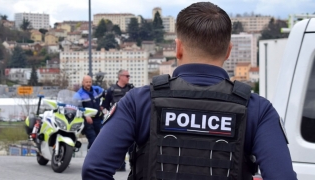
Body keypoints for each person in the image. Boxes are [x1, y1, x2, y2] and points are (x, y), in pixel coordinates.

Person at [82, 2, 297, 180]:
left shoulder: (139, 102)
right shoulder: (258, 109)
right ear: (229, 51)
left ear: (178, 47)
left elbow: (94, 170)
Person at [101, 69, 135, 172]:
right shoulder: (111, 90)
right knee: (119, 144)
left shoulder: (132, 89)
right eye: (127, 76)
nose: (128, 78)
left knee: (133, 146)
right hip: (117, 121)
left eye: (129, 76)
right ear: (120, 77)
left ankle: (134, 165)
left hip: (131, 121)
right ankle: (120, 165)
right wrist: (107, 115)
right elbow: (104, 106)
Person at [74, 75, 105, 150]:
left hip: (97, 119)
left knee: (98, 139)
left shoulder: (97, 90)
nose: (88, 84)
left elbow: (106, 96)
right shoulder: (79, 94)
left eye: (90, 82)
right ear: (83, 83)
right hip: (86, 120)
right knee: (92, 138)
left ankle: (91, 154)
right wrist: (86, 116)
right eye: (86, 82)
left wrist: (103, 105)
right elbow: (76, 108)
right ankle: (91, 157)